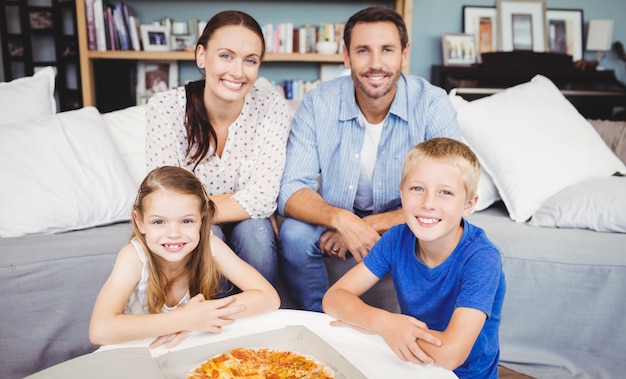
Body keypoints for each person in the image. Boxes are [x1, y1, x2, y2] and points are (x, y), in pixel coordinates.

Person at [277, 6, 461, 311]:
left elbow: (451, 193)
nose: (376, 64)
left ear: (404, 55)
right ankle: (320, 318)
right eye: (363, 51)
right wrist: (342, 220)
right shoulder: (318, 103)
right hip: (336, 212)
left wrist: (369, 225)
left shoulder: (432, 104)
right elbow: (291, 188)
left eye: (387, 50)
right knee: (294, 234)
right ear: (347, 56)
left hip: (404, 216)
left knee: (441, 230)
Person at [322, 138, 506, 379]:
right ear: (402, 193)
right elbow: (334, 298)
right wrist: (384, 322)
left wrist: (377, 330)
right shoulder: (396, 239)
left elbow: (451, 354)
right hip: (412, 367)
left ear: (469, 204)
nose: (428, 203)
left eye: (445, 193)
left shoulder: (481, 258)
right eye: (417, 189)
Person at [145, 10, 291, 288]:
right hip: (196, 224)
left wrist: (194, 207)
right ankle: (219, 328)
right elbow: (167, 196)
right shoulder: (165, 108)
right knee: (209, 236)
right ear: (201, 55)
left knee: (257, 234)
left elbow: (263, 198)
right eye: (226, 56)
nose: (238, 71)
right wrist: (238, 200)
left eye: (250, 60)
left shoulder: (271, 107)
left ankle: (263, 321)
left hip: (242, 222)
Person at [89, 166, 280, 348]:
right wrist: (184, 319)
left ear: (202, 220)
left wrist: (203, 316)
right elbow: (99, 330)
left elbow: (269, 297)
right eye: (158, 222)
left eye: (186, 221)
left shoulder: (210, 246)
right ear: (140, 222)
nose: (173, 233)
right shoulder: (133, 257)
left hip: (180, 349)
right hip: (139, 352)